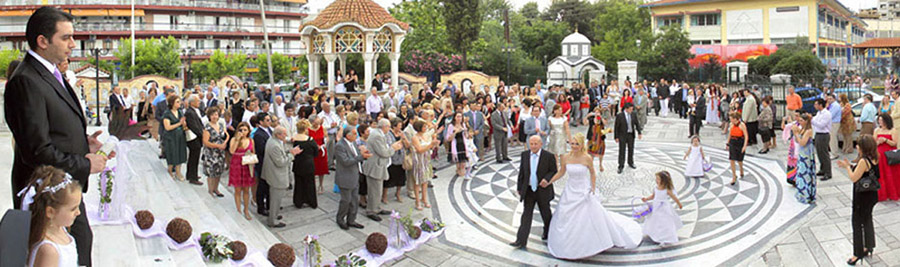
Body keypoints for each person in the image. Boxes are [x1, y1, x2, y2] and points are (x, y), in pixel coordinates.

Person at [5, 8, 111, 265]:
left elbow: (50, 128)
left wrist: (81, 142)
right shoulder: (26, 81)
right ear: (43, 41)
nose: (73, 44)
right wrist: (86, 164)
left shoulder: (49, 72)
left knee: (81, 245)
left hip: (65, 190)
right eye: (66, 38)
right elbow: (37, 151)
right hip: (48, 200)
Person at [544, 133, 641, 259]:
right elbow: (561, 172)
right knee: (566, 214)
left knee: (588, 214)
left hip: (583, 189)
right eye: (572, 144)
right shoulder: (565, 157)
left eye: (576, 144)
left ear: (581, 145)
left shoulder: (587, 158)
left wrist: (592, 188)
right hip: (570, 190)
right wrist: (549, 181)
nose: (574, 146)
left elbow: (592, 173)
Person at [24, 166, 82, 267]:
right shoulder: (49, 250)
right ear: (50, 212)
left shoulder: (62, 230)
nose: (78, 212)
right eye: (73, 209)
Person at [835, 135, 879, 265]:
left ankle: (857, 253)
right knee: (867, 219)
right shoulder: (875, 157)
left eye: (858, 145)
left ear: (863, 148)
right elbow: (865, 172)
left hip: (862, 196)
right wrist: (850, 165)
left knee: (857, 223)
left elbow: (854, 178)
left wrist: (847, 167)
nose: (856, 147)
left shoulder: (863, 161)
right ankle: (869, 246)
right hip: (871, 195)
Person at [509, 136, 558, 249]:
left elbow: (553, 170)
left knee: (546, 213)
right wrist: (520, 187)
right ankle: (521, 240)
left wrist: (547, 179)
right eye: (531, 143)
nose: (533, 146)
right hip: (529, 190)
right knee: (526, 215)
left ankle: (548, 232)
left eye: (536, 144)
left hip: (543, 190)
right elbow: (522, 172)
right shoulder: (525, 155)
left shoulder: (548, 156)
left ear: (541, 144)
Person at [363, 119, 401, 221]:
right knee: (374, 190)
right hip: (375, 166)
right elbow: (383, 152)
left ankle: (377, 208)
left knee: (378, 189)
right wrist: (393, 148)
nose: (389, 129)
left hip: (378, 165)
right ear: (384, 127)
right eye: (388, 126)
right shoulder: (377, 136)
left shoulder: (378, 134)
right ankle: (371, 210)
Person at [263, 126, 300, 228]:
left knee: (275, 199)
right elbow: (281, 162)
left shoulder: (274, 141)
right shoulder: (274, 145)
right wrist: (292, 155)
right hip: (276, 176)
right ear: (278, 135)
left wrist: (290, 151)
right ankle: (272, 221)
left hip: (274, 175)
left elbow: (281, 154)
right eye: (284, 134)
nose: (286, 135)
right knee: (276, 200)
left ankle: (273, 215)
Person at [334, 126, 369, 230]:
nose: (356, 135)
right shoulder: (339, 146)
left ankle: (351, 220)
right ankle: (340, 219)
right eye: (354, 134)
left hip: (355, 175)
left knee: (354, 200)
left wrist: (363, 153)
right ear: (348, 136)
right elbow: (346, 161)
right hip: (345, 177)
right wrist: (361, 157)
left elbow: (356, 155)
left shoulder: (353, 143)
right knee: (346, 200)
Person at [640, 171, 684, 245]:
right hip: (656, 206)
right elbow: (653, 196)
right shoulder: (656, 188)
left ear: (663, 180)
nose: (657, 180)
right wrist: (646, 199)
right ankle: (654, 232)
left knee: (664, 220)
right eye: (656, 179)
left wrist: (679, 204)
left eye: (658, 179)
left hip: (664, 207)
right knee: (654, 219)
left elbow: (674, 197)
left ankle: (665, 236)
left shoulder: (667, 190)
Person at [229, 122, 255, 220]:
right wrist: (237, 139)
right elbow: (231, 151)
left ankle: (246, 210)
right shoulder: (234, 139)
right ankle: (239, 209)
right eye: (241, 130)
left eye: (245, 130)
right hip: (236, 165)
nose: (243, 132)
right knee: (237, 189)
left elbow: (253, 153)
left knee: (246, 190)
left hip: (247, 165)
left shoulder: (251, 140)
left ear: (248, 131)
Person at [291, 120, 320, 209]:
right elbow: (316, 152)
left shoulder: (294, 139)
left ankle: (298, 201)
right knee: (310, 183)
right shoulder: (310, 140)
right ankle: (311, 201)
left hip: (298, 164)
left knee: (298, 183)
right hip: (308, 164)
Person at [202, 106, 229, 197]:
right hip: (211, 153)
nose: (215, 117)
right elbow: (205, 142)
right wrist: (218, 145)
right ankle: (210, 190)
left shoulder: (220, 125)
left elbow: (226, 135)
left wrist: (225, 143)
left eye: (216, 115)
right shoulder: (207, 127)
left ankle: (216, 189)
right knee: (211, 172)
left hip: (220, 153)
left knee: (219, 171)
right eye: (212, 115)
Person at [411, 120, 438, 210]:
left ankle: (424, 198)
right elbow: (419, 149)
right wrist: (430, 145)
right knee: (418, 181)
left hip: (426, 160)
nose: (425, 128)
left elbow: (428, 147)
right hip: (419, 161)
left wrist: (433, 144)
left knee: (425, 180)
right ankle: (417, 201)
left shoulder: (425, 135)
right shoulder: (415, 137)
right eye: (424, 127)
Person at [162, 94, 188, 181]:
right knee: (172, 153)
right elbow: (167, 127)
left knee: (180, 153)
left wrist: (184, 124)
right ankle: (170, 170)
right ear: (172, 103)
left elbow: (182, 123)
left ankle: (178, 171)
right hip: (171, 137)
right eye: (177, 102)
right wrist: (179, 124)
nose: (179, 103)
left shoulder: (180, 112)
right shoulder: (167, 114)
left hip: (180, 136)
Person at [874, 114, 899, 201]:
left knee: (891, 174)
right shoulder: (877, 130)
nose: (880, 122)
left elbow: (895, 143)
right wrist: (878, 142)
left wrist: (886, 140)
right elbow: (873, 144)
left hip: (889, 155)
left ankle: (893, 192)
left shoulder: (892, 130)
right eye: (879, 120)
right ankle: (882, 193)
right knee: (881, 174)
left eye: (882, 120)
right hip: (880, 155)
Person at [793, 113, 816, 204]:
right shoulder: (803, 129)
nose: (800, 122)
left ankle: (806, 194)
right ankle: (801, 192)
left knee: (805, 174)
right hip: (802, 154)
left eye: (802, 121)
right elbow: (797, 141)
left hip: (806, 155)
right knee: (801, 173)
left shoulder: (809, 131)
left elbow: (802, 143)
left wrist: (796, 134)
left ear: (806, 121)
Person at [253, 113, 273, 216]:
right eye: (267, 120)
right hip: (263, 163)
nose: (270, 122)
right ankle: (261, 207)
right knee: (262, 186)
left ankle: (271, 205)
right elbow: (261, 149)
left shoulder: (269, 130)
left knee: (269, 186)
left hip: (270, 162)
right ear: (261, 122)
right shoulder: (258, 134)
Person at [384, 118, 408, 201]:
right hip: (392, 159)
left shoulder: (402, 133)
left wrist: (404, 138)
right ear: (394, 126)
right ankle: (385, 196)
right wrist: (400, 141)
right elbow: (391, 145)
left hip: (401, 159)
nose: (400, 127)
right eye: (399, 126)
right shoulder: (388, 134)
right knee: (389, 179)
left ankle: (398, 194)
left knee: (400, 179)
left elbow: (407, 145)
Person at [615, 102, 643, 174]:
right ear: (626, 109)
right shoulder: (620, 116)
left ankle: (630, 162)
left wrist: (639, 132)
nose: (631, 110)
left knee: (631, 149)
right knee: (622, 150)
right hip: (622, 135)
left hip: (631, 134)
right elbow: (616, 127)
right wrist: (616, 137)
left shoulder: (633, 114)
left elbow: (637, 124)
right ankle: (621, 165)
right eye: (630, 109)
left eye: (632, 109)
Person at [184, 95, 205, 186]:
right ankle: (193, 177)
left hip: (196, 137)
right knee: (194, 158)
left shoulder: (193, 111)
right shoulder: (190, 112)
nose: (199, 103)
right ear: (192, 102)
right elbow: (194, 126)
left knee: (193, 157)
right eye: (197, 101)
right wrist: (201, 134)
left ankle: (190, 174)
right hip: (194, 138)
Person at [812, 99, 834, 181]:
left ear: (820, 105)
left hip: (824, 135)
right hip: (818, 134)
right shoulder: (819, 113)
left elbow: (821, 125)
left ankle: (828, 172)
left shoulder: (826, 114)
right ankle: (822, 169)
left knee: (824, 153)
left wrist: (812, 120)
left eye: (816, 104)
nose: (815, 106)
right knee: (819, 152)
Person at [308, 117, 329, 194]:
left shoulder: (323, 128)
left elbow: (326, 137)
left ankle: (321, 185)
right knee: (313, 168)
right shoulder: (308, 130)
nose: (317, 125)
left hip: (321, 151)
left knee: (321, 169)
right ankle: (312, 185)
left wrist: (324, 144)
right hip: (312, 151)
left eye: (318, 123)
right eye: (315, 123)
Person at [584, 106, 609, 172]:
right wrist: (587, 116)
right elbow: (585, 123)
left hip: (600, 138)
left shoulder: (601, 119)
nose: (597, 113)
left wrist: (600, 117)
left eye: (598, 112)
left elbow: (605, 124)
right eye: (596, 112)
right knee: (590, 152)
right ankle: (590, 164)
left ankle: (600, 164)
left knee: (601, 152)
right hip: (592, 137)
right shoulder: (591, 119)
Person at [726, 112, 748, 185]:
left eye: (731, 119)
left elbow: (746, 136)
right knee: (732, 159)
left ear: (735, 119)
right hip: (733, 142)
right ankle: (734, 175)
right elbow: (730, 134)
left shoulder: (742, 125)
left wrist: (744, 146)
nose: (730, 120)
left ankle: (741, 169)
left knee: (739, 159)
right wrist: (727, 143)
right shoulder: (731, 125)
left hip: (740, 142)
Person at [446, 113, 469, 177]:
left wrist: (465, 131)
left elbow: (466, 136)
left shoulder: (463, 124)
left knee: (463, 162)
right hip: (455, 144)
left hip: (463, 144)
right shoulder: (451, 126)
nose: (459, 118)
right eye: (458, 117)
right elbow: (448, 138)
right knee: (458, 161)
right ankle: (458, 170)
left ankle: (463, 171)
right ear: (455, 118)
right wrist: (455, 132)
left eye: (460, 117)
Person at [783, 111, 802, 186]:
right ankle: (792, 179)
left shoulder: (801, 126)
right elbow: (784, 127)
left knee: (797, 162)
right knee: (792, 162)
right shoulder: (794, 123)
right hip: (793, 146)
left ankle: (797, 179)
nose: (796, 117)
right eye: (795, 116)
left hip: (798, 145)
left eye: (797, 116)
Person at [827, 94, 842, 158]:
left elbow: (830, 115)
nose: (829, 100)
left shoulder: (835, 106)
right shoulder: (831, 105)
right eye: (828, 99)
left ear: (834, 99)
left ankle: (834, 153)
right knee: (831, 138)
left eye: (830, 99)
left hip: (834, 123)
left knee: (833, 138)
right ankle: (833, 151)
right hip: (832, 123)